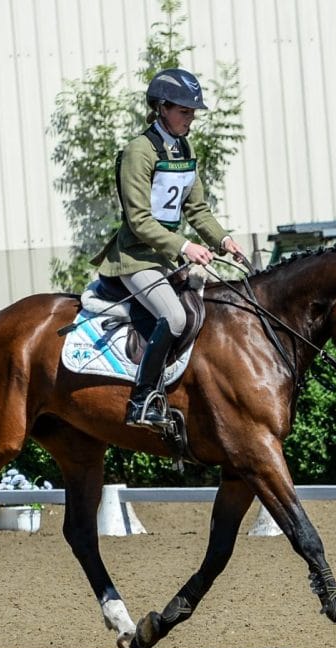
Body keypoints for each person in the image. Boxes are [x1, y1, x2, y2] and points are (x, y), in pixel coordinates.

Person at [91, 68, 246, 430]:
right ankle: (142, 400)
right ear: (161, 108)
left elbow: (196, 208)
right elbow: (139, 220)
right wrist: (185, 246)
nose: (190, 119)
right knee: (174, 318)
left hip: (166, 258)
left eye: (192, 113)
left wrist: (222, 239)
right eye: (184, 111)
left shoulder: (184, 148)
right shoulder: (138, 152)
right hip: (135, 258)